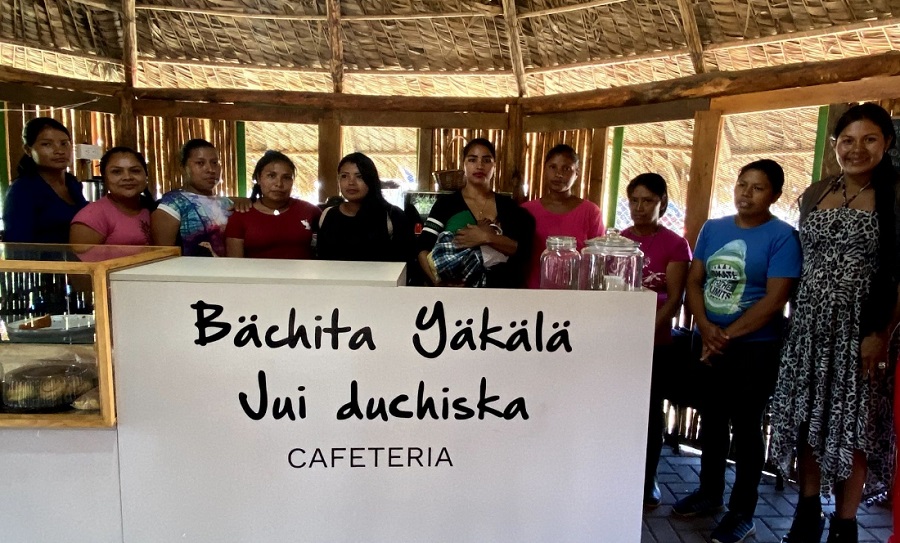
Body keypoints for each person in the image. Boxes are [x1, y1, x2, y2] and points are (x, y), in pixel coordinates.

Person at [771, 103, 900, 543]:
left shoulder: (896, 196)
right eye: (847, 140)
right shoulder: (816, 193)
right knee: (808, 421)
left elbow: (899, 274)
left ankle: (844, 526)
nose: (857, 149)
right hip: (808, 328)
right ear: (835, 145)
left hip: (861, 332)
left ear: (887, 144)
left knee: (855, 428)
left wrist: (880, 335)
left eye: (869, 139)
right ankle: (806, 514)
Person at [673, 159, 801, 543]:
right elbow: (696, 281)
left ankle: (742, 512)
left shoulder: (783, 237)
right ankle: (709, 493)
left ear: (775, 195)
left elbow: (777, 297)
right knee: (712, 420)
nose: (746, 193)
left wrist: (724, 335)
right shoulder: (713, 229)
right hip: (709, 339)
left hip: (755, 349)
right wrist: (706, 329)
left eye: (757, 187)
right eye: (742, 184)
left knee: (746, 429)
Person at [620, 173, 692, 508]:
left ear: (662, 202)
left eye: (647, 200)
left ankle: (648, 480)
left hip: (655, 343)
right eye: (634, 200)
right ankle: (620, 476)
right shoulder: (619, 241)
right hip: (620, 343)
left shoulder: (676, 245)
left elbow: (675, 298)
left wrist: (647, 334)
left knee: (649, 414)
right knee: (620, 412)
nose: (639, 207)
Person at [416, 138, 534, 288]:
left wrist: (486, 237)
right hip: (457, 298)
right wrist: (439, 283)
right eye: (472, 160)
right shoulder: (446, 204)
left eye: (486, 160)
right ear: (463, 165)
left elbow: (522, 250)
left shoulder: (508, 206)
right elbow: (422, 247)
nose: (479, 166)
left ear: (494, 166)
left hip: (502, 294)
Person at [521, 144, 604, 288]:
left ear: (576, 173)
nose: (558, 174)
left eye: (566, 169)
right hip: (533, 291)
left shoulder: (590, 212)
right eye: (553, 167)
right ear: (545, 169)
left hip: (575, 294)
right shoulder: (526, 211)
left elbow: (597, 259)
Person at [315, 152, 413, 263]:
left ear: (371, 180)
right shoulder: (328, 215)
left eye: (359, 176)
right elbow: (321, 260)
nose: (351, 182)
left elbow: (404, 264)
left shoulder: (392, 216)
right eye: (344, 176)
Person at [2, 117, 87, 243]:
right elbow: (17, 246)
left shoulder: (72, 183)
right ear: (28, 150)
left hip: (77, 261)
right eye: (47, 144)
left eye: (64, 143)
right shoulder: (22, 190)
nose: (59, 151)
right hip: (43, 262)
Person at [224, 151, 320, 259]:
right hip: (256, 275)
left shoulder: (309, 211)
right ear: (259, 179)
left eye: (286, 177)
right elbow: (235, 265)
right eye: (271, 176)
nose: (279, 183)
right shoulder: (241, 214)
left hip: (302, 275)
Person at [151, 139, 234, 256]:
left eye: (214, 162)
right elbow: (163, 256)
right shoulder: (172, 205)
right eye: (200, 163)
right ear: (183, 168)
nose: (210, 169)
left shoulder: (227, 203)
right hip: (190, 273)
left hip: (228, 272)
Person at [69, 147, 154, 246]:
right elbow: (81, 260)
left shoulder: (154, 209)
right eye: (116, 172)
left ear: (146, 175)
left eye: (135, 171)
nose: (127, 177)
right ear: (105, 178)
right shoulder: (91, 218)